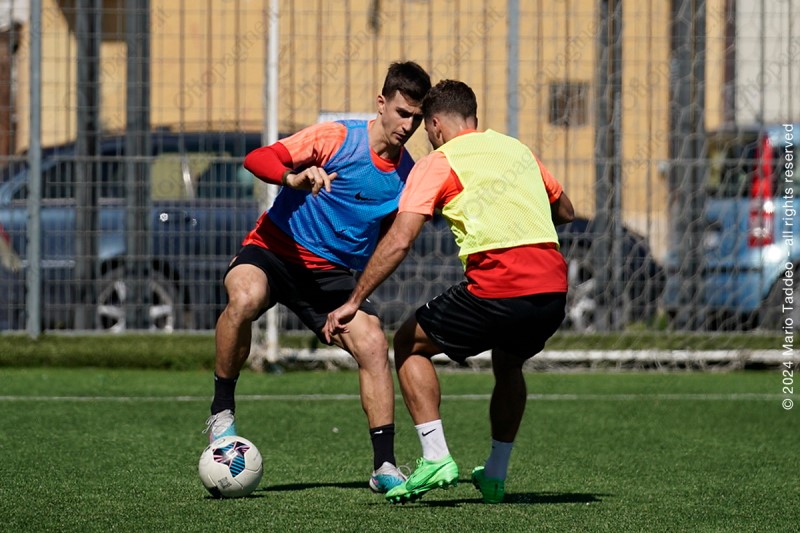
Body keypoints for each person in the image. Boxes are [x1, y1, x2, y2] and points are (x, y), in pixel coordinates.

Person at [323, 79, 575, 504]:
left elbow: (400, 240)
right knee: (509, 361)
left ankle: (436, 457)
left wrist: (353, 300)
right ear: (473, 117)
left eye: (426, 129)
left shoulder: (439, 162)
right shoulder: (516, 150)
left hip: (498, 287)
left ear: (436, 125)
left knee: (409, 342)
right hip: (552, 291)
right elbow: (565, 210)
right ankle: (494, 474)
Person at [205, 61, 431, 494]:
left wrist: (355, 297)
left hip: (330, 276)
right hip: (275, 249)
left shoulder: (407, 177)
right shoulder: (336, 138)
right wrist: (293, 176)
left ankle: (384, 466)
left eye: (417, 118)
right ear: (381, 104)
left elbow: (390, 242)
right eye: (402, 113)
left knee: (373, 342)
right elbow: (257, 158)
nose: (408, 126)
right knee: (245, 298)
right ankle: (222, 412)